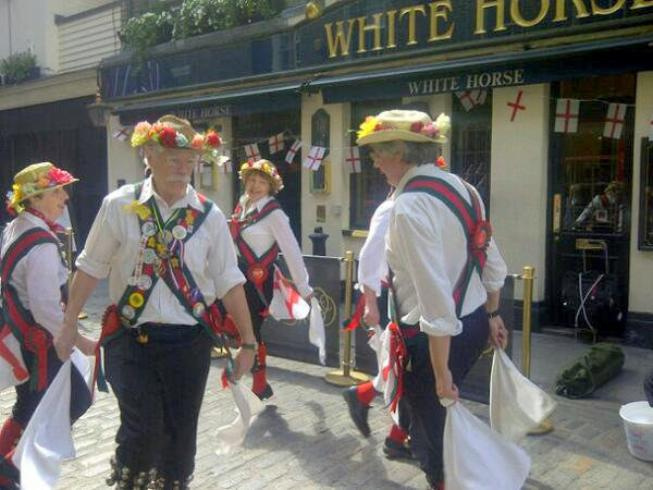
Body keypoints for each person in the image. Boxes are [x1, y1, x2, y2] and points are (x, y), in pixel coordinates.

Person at [53, 115, 257, 490]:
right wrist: (68, 326)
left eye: (189, 160)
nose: (183, 169)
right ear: (148, 155)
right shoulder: (118, 205)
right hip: (130, 340)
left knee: (180, 441)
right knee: (143, 430)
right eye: (172, 159)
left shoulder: (209, 217)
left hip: (189, 344)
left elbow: (230, 280)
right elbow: (89, 267)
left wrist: (248, 342)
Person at [356, 110, 509, 490]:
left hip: (433, 339)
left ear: (401, 152)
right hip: (472, 324)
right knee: (432, 422)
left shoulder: (407, 208)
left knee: (430, 436)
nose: (373, 161)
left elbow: (435, 299)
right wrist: (492, 314)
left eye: (378, 152)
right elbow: (491, 261)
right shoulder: (463, 188)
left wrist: (441, 375)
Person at [0, 162, 95, 488]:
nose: (65, 197)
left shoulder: (19, 227)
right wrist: (78, 340)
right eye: (57, 191)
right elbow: (44, 308)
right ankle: (13, 466)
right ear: (36, 198)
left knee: (29, 403)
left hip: (27, 338)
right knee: (74, 400)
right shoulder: (39, 241)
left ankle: (9, 466)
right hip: (42, 343)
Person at [230, 159, 312, 400]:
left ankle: (257, 384)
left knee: (250, 331)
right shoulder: (243, 205)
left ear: (271, 186)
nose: (255, 186)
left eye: (261, 182)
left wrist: (303, 285)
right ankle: (259, 384)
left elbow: (291, 249)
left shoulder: (274, 213)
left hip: (258, 281)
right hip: (238, 276)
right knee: (243, 330)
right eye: (252, 180)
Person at [342, 196, 413, 460]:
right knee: (403, 367)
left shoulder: (421, 201)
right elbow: (370, 256)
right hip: (390, 296)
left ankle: (362, 396)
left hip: (411, 296)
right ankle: (395, 439)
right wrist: (370, 302)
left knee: (401, 368)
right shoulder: (390, 207)